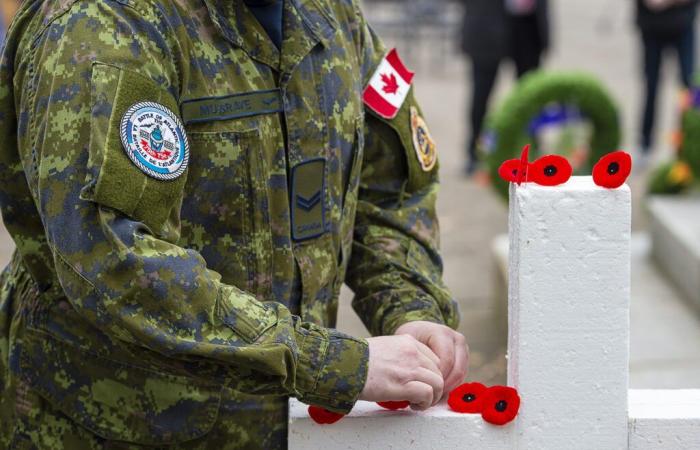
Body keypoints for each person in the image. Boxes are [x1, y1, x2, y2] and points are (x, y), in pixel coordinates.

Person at [0, 0, 468, 448]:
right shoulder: (102, 22)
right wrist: (333, 364)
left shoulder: (331, 13)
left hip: (285, 425)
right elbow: (111, 260)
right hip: (121, 425)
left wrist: (410, 309)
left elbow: (389, 187)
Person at [460, 0, 549, 175]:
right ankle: (476, 152)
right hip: (486, 22)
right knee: (481, 94)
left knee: (531, 95)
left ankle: (531, 151)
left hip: (528, 24)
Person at [636, 0, 698, 159]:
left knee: (688, 87)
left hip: (682, 23)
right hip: (651, 26)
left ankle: (689, 146)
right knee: (651, 86)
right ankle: (645, 143)